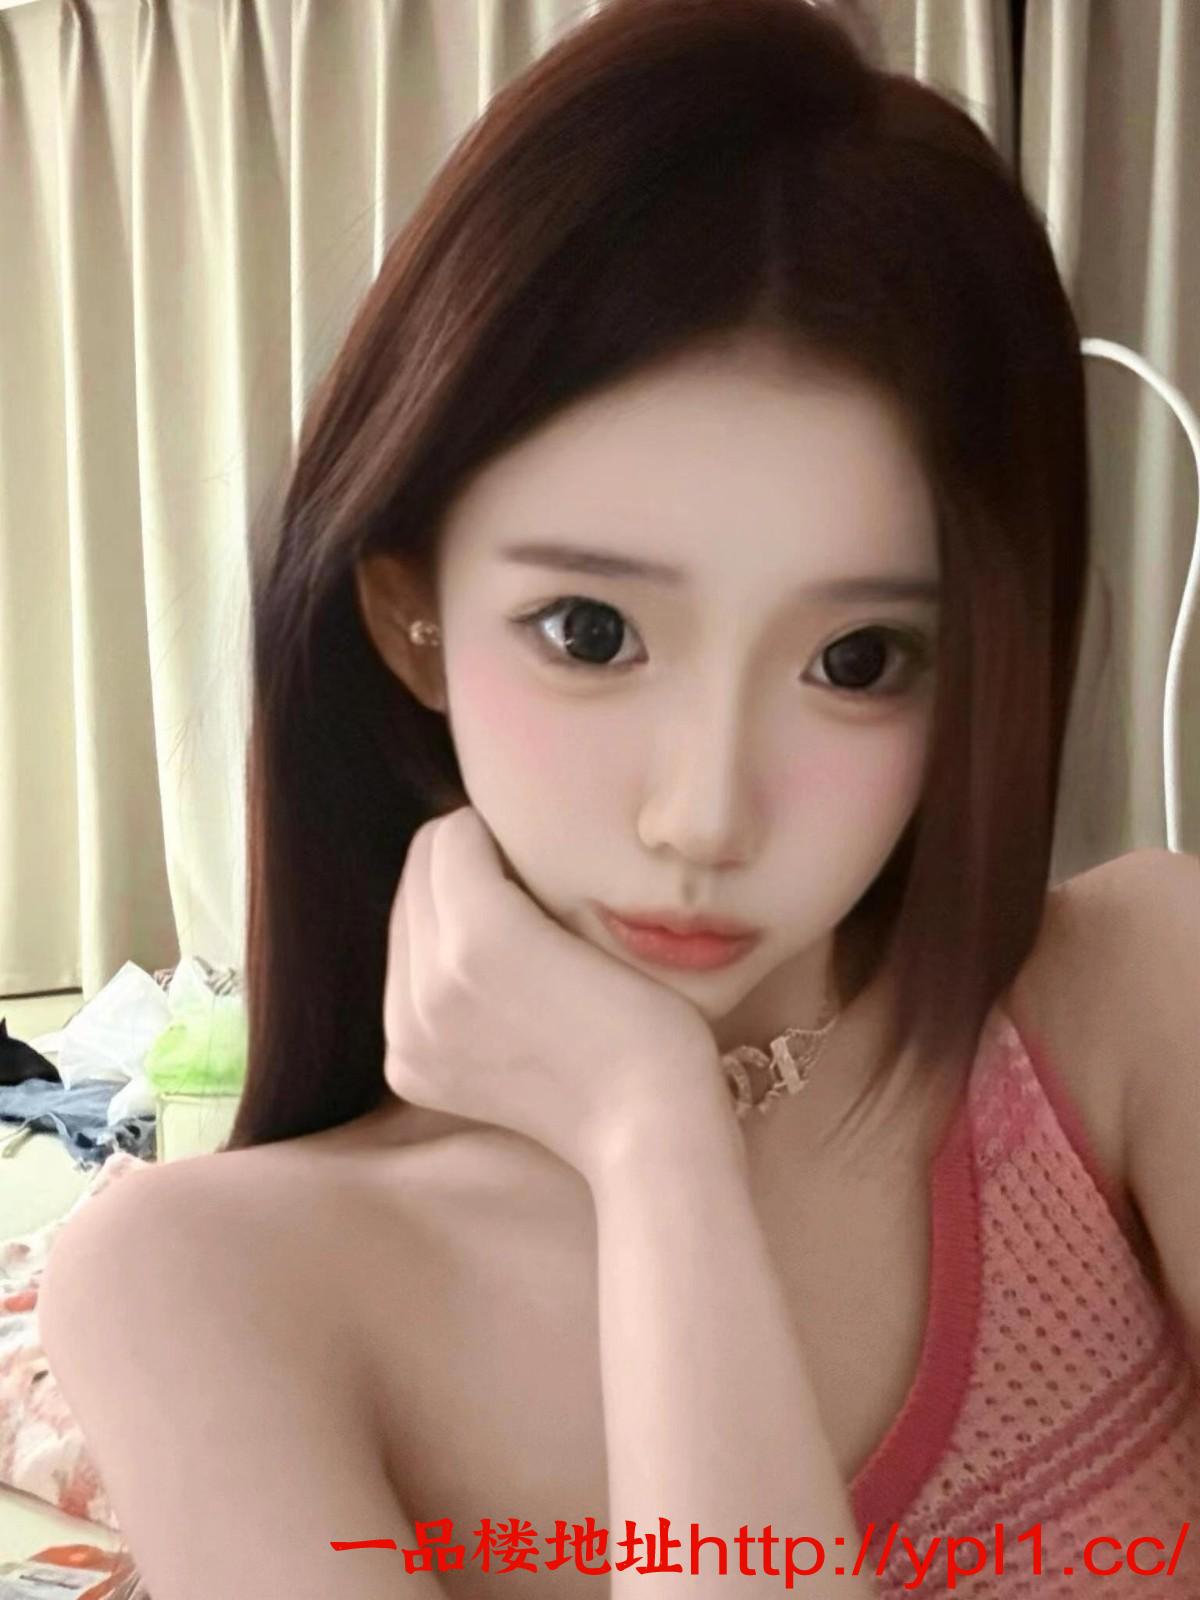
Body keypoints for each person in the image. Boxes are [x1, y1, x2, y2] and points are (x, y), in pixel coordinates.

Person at [35, 1, 1200, 1596]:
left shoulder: (1138, 1004)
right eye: (591, 633)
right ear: (410, 615)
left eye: (859, 660)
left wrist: (652, 1137)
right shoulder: (208, 1285)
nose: (705, 816)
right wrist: (653, 1138)